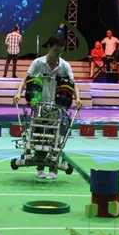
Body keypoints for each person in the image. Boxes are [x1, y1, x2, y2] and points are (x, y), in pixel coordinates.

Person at [12, 35, 82, 180]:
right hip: (39, 105)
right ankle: (40, 168)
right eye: (56, 50)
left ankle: (53, 169)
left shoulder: (65, 66)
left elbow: (73, 84)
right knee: (39, 135)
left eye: (61, 51)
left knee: (55, 136)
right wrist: (18, 93)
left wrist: (78, 98)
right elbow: (25, 80)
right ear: (49, 47)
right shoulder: (38, 63)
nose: (58, 53)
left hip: (56, 107)